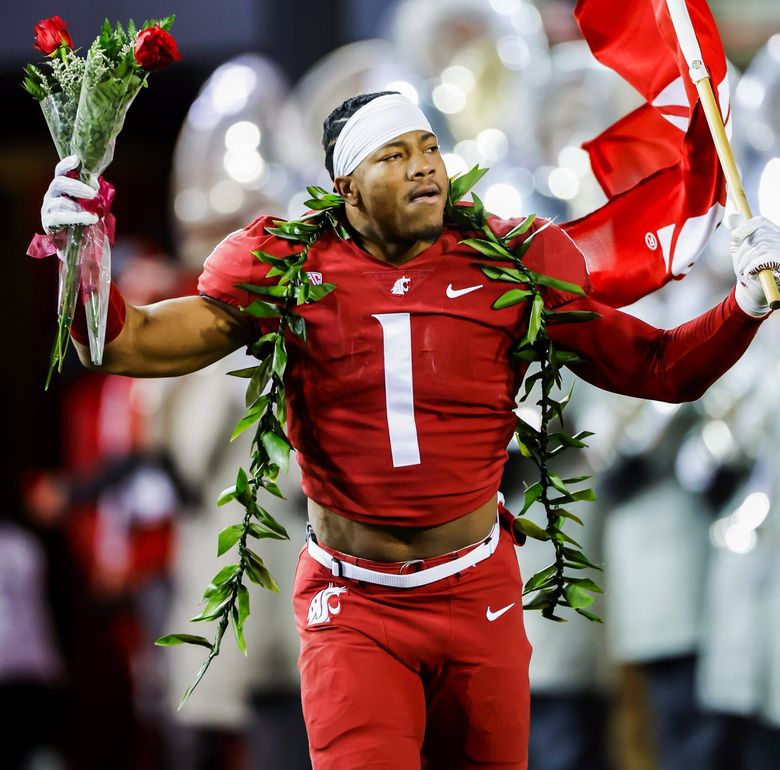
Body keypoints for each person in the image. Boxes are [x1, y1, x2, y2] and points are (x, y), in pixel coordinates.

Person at [38, 89, 780, 770]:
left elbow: (657, 370)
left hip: (476, 590)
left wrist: (742, 306)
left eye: (429, 149)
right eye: (395, 155)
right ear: (346, 187)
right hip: (353, 601)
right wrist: (80, 253)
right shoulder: (286, 263)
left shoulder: (509, 261)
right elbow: (123, 343)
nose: (426, 169)